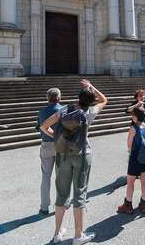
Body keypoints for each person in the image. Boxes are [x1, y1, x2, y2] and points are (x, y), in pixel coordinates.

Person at [41, 79, 108, 245]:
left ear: (78, 98)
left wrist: (56, 137)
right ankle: (78, 235)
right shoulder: (90, 111)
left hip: (63, 154)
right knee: (80, 193)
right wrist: (91, 86)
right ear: (91, 101)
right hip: (82, 153)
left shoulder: (65, 109)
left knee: (62, 194)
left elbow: (44, 126)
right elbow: (104, 100)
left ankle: (57, 234)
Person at [118, 107, 145, 214]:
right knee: (144, 180)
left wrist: (130, 152)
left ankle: (128, 204)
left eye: (133, 115)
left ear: (136, 117)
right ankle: (144, 203)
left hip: (135, 157)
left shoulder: (133, 128)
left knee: (130, 182)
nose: (132, 116)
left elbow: (129, 145)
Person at [38, 88, 63, 216]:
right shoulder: (63, 110)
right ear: (59, 98)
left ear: (48, 98)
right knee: (61, 177)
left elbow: (39, 128)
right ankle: (61, 204)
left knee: (45, 177)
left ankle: (44, 207)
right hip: (60, 145)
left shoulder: (42, 112)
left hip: (46, 145)